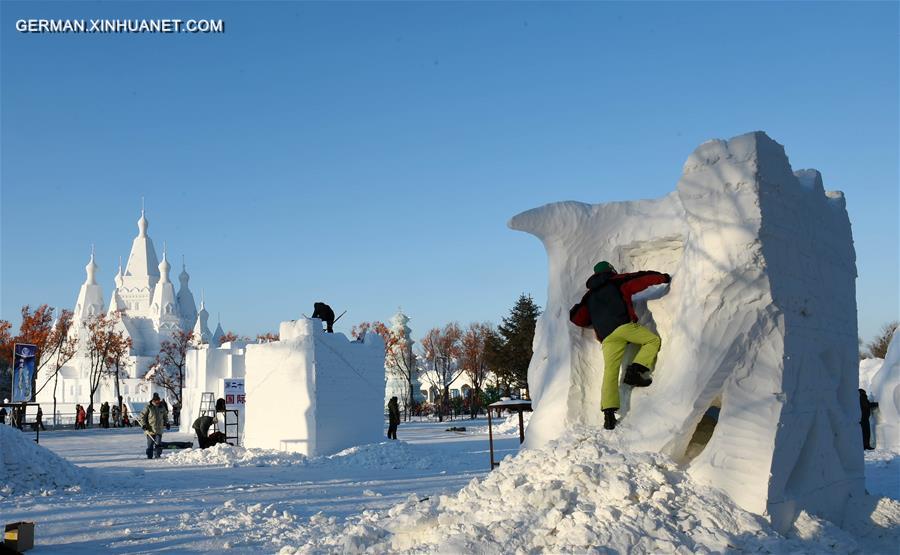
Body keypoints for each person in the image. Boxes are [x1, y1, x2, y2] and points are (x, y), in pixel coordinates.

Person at [579, 261, 671, 431]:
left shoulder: (588, 297)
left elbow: (577, 317)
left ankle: (608, 413)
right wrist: (663, 277)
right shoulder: (616, 281)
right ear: (610, 270)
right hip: (623, 326)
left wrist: (594, 316)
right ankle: (636, 371)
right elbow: (641, 279)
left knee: (610, 371)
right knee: (652, 341)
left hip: (607, 338)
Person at [139, 392, 166, 459]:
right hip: (150, 430)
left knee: (158, 443)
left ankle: (157, 455)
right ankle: (149, 456)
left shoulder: (162, 407)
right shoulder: (148, 407)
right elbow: (142, 416)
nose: (158, 402)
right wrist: (144, 425)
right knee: (150, 444)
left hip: (159, 429)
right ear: (153, 400)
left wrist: (167, 422)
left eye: (159, 401)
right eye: (157, 401)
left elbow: (165, 416)